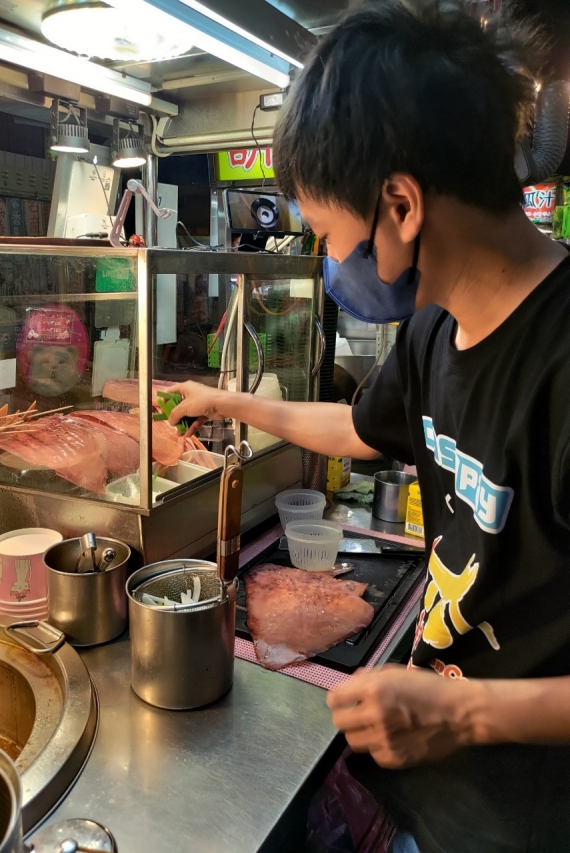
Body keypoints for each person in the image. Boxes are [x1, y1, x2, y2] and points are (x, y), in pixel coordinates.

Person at [169, 1, 570, 850]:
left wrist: (464, 709)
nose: (326, 261)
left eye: (326, 233)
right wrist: (232, 402)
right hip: (440, 795)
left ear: (399, 205)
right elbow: (361, 426)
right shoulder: (434, 326)